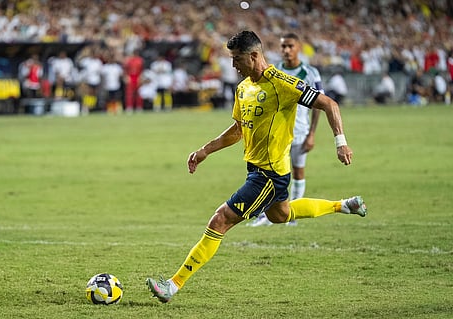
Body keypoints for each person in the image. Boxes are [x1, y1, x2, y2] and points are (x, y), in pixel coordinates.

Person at [146, 31, 367, 303]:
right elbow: (237, 130)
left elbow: (328, 103)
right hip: (259, 170)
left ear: (254, 56)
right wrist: (205, 150)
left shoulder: (282, 83)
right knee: (280, 215)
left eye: (237, 59)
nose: (233, 66)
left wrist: (340, 142)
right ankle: (344, 205)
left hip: (269, 175)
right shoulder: (243, 88)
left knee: (220, 220)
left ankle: (173, 284)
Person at [247, 32, 323, 227]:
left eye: (290, 46)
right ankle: (266, 215)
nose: (286, 50)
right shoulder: (273, 70)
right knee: (269, 174)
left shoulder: (310, 73)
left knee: (298, 172)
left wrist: (312, 134)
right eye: (283, 47)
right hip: (275, 132)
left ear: (299, 47)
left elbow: (319, 105)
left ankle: (292, 214)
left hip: (299, 131)